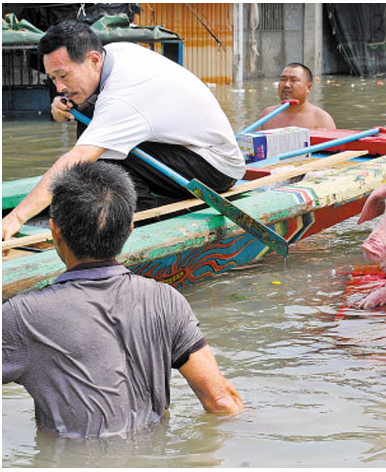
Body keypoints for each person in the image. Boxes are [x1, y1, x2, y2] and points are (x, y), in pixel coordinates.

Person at [2, 161, 243, 437]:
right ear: (129, 229)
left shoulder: (22, 316)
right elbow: (223, 402)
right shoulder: (166, 300)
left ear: (55, 230)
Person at [2, 19, 246, 241]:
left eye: (63, 75)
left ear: (94, 60)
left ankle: (143, 220)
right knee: (90, 127)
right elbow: (89, 102)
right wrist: (63, 103)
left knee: (95, 159)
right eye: (53, 78)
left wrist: (17, 217)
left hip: (215, 168)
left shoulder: (124, 96)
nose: (59, 86)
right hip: (186, 149)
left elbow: (77, 159)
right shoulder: (115, 53)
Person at [257, 62, 336, 130]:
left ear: (308, 87)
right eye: (283, 79)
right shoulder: (267, 115)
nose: (287, 85)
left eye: (294, 80)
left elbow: (334, 147)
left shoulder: (321, 119)